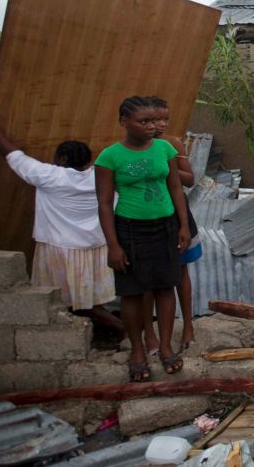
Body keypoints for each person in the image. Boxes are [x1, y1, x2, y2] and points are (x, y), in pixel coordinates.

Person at [0, 111, 123, 334]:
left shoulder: (50, 176)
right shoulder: (101, 177)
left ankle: (121, 329)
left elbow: (13, 154)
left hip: (59, 250)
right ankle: (106, 329)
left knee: (70, 303)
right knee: (88, 299)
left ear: (62, 159)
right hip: (95, 249)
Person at [95, 96, 190, 381]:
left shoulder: (164, 148)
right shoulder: (109, 156)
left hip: (165, 227)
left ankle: (164, 346)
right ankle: (137, 351)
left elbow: (175, 187)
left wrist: (183, 225)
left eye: (154, 121)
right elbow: (103, 203)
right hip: (130, 230)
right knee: (133, 292)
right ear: (124, 122)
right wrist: (113, 245)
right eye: (144, 121)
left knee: (165, 286)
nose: (151, 126)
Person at [140, 96, 201, 354]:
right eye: (155, 119)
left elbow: (189, 180)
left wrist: (169, 166)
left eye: (165, 119)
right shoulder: (133, 148)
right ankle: (149, 333)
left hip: (177, 215)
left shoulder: (172, 144)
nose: (161, 124)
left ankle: (188, 325)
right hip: (146, 217)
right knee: (146, 280)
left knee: (181, 273)